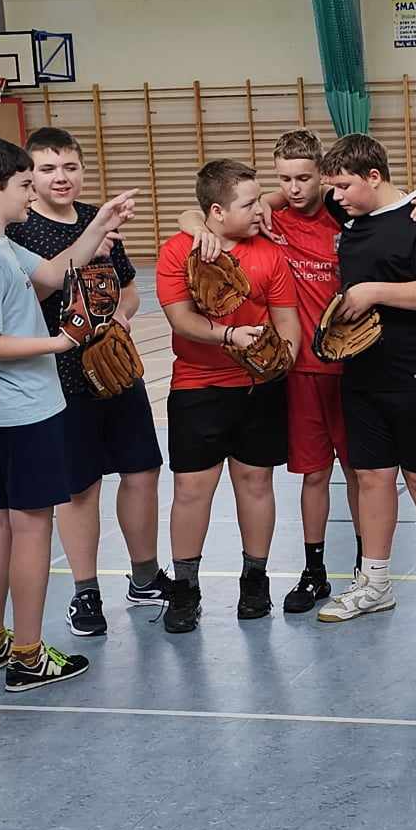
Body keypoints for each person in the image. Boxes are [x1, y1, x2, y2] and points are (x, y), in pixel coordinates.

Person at [178, 135, 416, 614]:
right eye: (285, 179)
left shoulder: (344, 213)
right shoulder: (269, 217)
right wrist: (197, 223)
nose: (295, 188)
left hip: (355, 364)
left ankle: (368, 569)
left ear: (323, 176)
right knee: (314, 474)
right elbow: (207, 209)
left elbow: (387, 202)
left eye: (305, 178)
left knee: (364, 473)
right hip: (299, 369)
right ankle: (314, 570)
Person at [0, 135, 134, 691]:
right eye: (26, 185)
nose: (33, 195)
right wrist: (59, 343)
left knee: (4, 519)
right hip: (22, 409)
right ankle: (28, 655)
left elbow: (52, 275)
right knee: (31, 526)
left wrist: (99, 225)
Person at [7, 127, 167, 637]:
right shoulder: (21, 228)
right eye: (48, 168)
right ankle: (85, 592)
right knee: (81, 487)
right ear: (30, 176)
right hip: (60, 376)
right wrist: (91, 240)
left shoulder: (97, 218)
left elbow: (130, 291)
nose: (61, 177)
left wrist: (120, 316)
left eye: (70, 167)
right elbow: (32, 292)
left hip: (114, 368)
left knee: (142, 470)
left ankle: (145, 576)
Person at [315, 133, 416, 625]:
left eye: (343, 185)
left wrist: (372, 291)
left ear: (374, 177)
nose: (335, 196)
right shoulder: (348, 213)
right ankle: (375, 582)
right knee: (371, 477)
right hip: (362, 371)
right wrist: (195, 220)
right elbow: (275, 195)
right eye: (332, 187)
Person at [154, 158, 301, 633]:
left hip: (259, 389)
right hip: (199, 387)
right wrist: (229, 336)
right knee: (191, 490)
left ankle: (255, 581)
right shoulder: (178, 252)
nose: (261, 209)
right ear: (216, 211)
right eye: (250, 203)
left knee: (256, 484)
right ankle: (185, 588)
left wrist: (282, 359)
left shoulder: (271, 256)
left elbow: (287, 322)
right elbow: (181, 320)